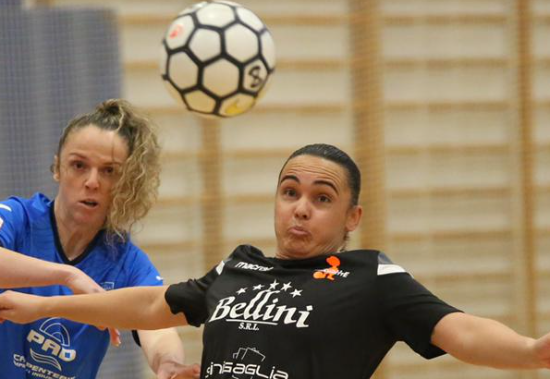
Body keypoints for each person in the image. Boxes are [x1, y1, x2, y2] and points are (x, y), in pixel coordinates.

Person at [2, 143, 550, 378]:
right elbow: (151, 305)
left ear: (352, 217)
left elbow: (460, 329)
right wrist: (44, 306)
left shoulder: (372, 277)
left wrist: (530, 351)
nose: (301, 209)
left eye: (322, 198)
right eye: (290, 192)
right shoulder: (239, 268)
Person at [0, 99, 199, 379]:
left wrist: (167, 361)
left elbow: (155, 315)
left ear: (125, 182)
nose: (92, 182)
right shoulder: (17, 219)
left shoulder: (124, 260)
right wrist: (68, 275)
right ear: (57, 168)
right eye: (79, 165)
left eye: (109, 171)